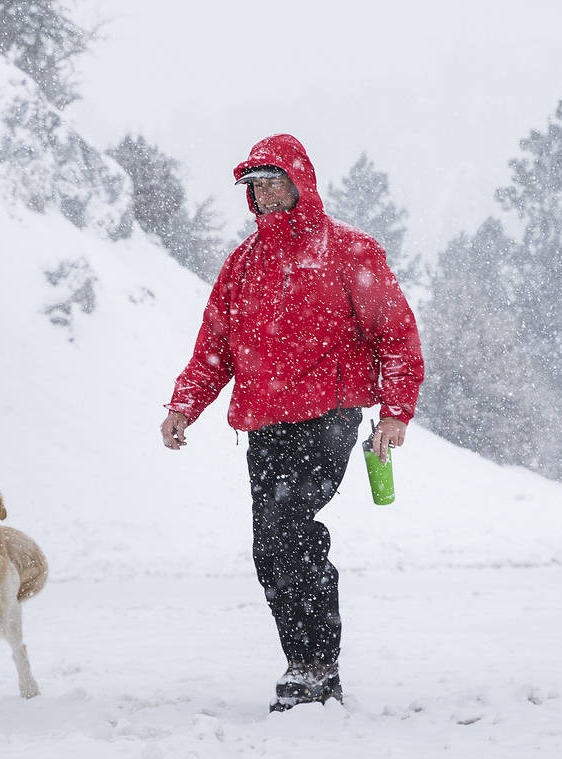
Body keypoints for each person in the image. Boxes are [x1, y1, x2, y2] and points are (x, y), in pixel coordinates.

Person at [160, 134, 424, 712]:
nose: (264, 193)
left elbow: (396, 334)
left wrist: (395, 412)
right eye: (254, 186)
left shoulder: (351, 251)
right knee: (269, 545)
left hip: (329, 414)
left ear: (300, 182)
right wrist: (185, 404)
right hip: (264, 421)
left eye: (273, 180)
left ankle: (314, 665)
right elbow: (216, 346)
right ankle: (304, 662)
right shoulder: (243, 264)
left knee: (286, 526)